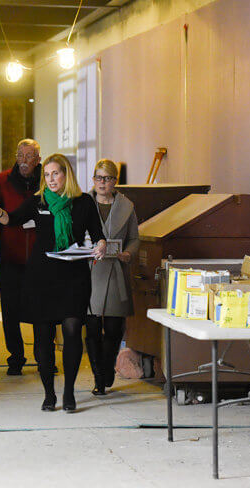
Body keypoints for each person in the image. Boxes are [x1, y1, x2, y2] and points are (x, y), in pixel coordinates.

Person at [0, 154, 106, 412]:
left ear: (66, 174)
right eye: (46, 175)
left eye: (55, 174)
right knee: (43, 339)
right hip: (41, 277)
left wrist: (101, 246)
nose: (50, 179)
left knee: (72, 330)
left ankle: (69, 391)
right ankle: (49, 393)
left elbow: (98, 235)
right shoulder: (37, 202)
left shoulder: (83, 202)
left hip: (73, 277)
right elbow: (11, 220)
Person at [85, 160, 139, 395]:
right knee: (93, 327)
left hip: (116, 270)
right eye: (98, 178)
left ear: (115, 181)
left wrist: (129, 253)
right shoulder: (83, 203)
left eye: (106, 178)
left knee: (115, 328)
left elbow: (135, 238)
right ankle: (99, 376)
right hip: (90, 272)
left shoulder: (126, 206)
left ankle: (107, 367)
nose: (102, 183)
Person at [0, 139, 41, 375]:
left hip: (41, 255)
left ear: (38, 159)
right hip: (10, 253)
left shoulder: (47, 181)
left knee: (43, 307)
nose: (23, 161)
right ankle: (16, 357)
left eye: (29, 156)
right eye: (20, 155)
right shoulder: (1, 182)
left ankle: (44, 355)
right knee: (10, 309)